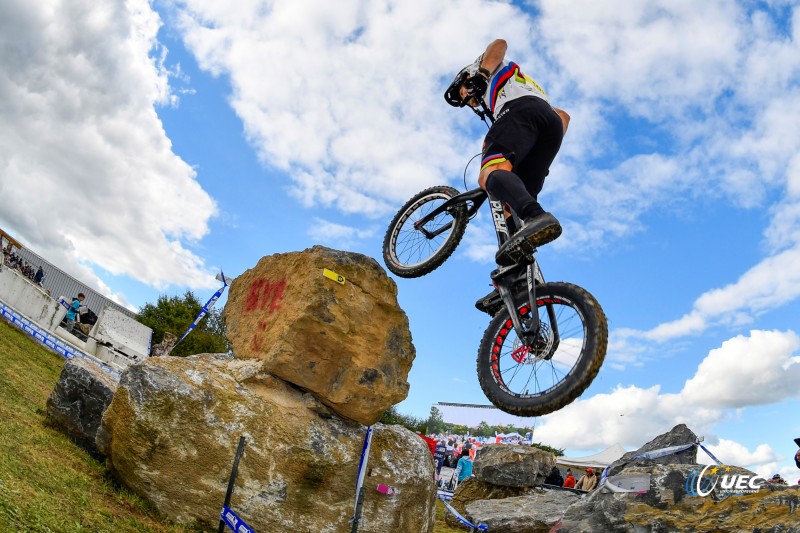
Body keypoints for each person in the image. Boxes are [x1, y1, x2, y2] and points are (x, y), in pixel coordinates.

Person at [445, 38, 570, 273]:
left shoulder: (483, 70)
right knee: (511, 205)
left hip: (519, 110)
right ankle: (518, 273)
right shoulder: (529, 88)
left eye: (463, 94)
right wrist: (542, 154)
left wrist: (481, 74)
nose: (468, 101)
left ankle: (536, 216)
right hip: (550, 125)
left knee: (489, 175)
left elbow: (500, 44)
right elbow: (563, 116)